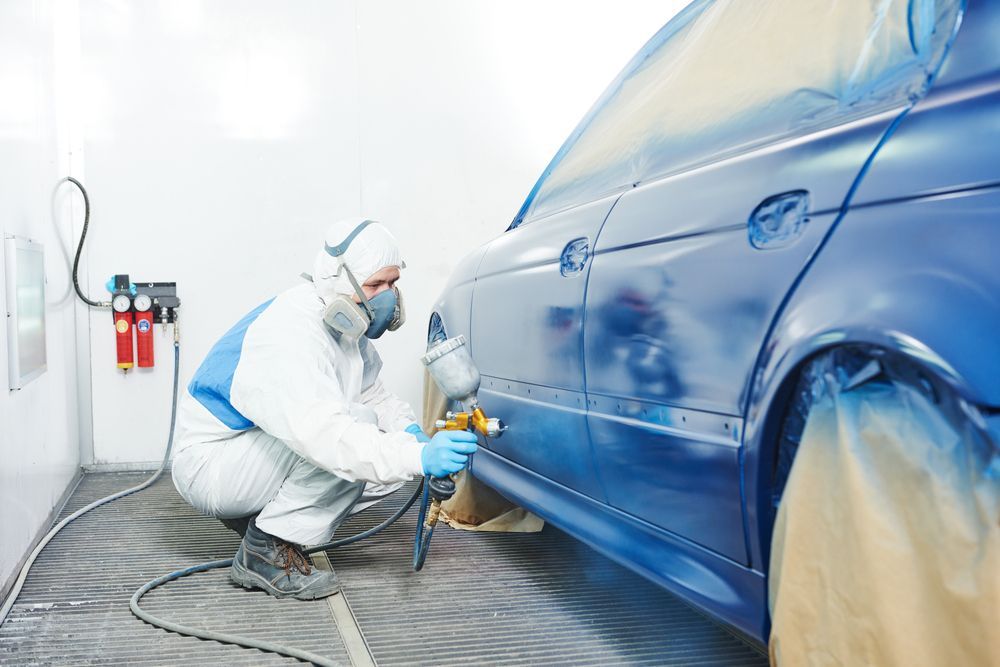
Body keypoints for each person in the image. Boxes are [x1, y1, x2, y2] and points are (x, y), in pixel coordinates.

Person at [171, 218, 478, 600]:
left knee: (387, 457)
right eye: (375, 285)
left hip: (247, 455)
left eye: (392, 283)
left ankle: (267, 521)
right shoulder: (290, 333)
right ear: (340, 281)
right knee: (354, 440)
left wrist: (412, 436)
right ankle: (264, 552)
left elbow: (373, 394)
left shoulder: (348, 329)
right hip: (211, 464)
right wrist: (417, 455)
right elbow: (325, 435)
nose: (388, 297)